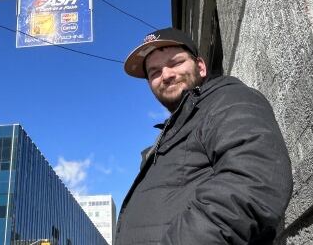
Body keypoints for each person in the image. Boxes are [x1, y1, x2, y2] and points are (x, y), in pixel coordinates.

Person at [115, 28, 293, 245]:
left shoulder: (227, 99)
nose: (166, 75)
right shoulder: (170, 133)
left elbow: (254, 183)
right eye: (154, 72)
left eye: (175, 62)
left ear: (200, 66)